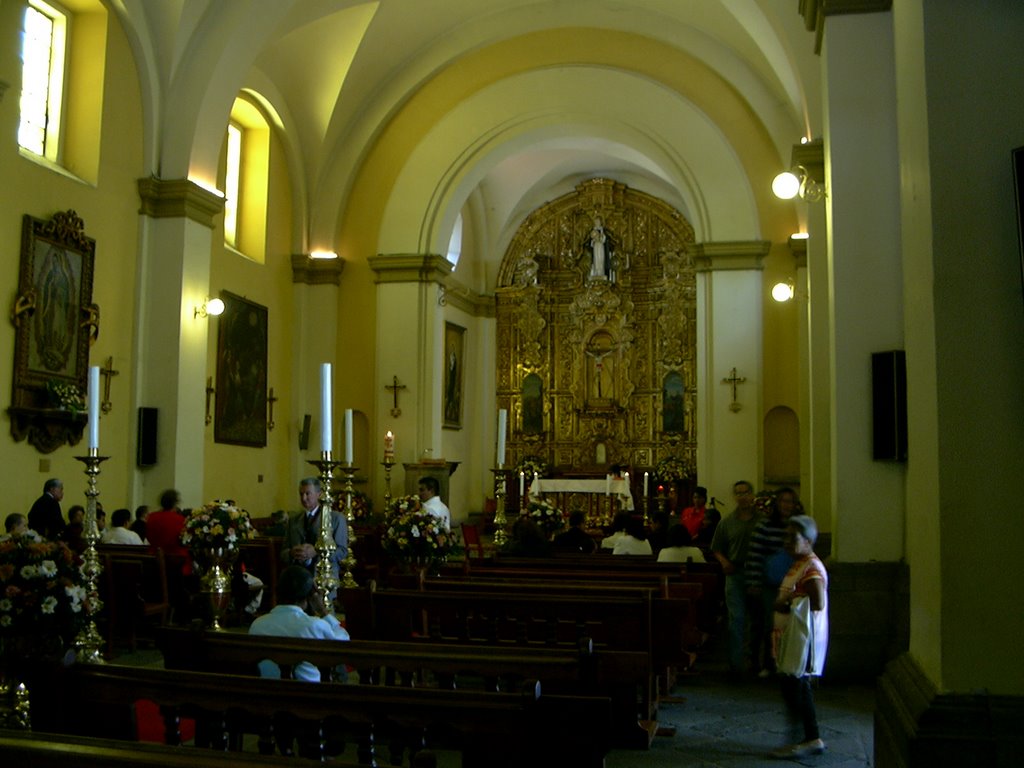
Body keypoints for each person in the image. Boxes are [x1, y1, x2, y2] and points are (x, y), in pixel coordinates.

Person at [769, 515, 829, 760]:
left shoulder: (812, 568)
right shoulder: (800, 563)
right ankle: (803, 737)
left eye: (792, 538)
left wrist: (786, 603)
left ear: (808, 540)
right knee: (792, 685)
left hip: (803, 638)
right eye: (785, 536)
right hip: (791, 634)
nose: (786, 542)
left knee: (798, 687)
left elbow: (817, 602)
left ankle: (810, 738)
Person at [248, 565, 350, 683]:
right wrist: (323, 611)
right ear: (310, 595)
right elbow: (343, 643)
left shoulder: (258, 625)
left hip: (269, 695)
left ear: (277, 592)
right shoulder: (314, 625)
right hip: (307, 695)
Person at [746, 487, 800, 677]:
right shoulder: (765, 526)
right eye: (783, 501)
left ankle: (782, 662)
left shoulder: (797, 526)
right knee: (768, 625)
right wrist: (754, 582)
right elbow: (755, 555)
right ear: (777, 504)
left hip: (791, 583)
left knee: (788, 626)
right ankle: (764, 663)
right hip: (769, 583)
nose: (787, 505)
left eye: (790, 501)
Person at [711, 480, 762, 677]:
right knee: (736, 619)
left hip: (756, 574)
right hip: (735, 573)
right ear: (735, 497)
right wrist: (724, 562)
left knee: (757, 620)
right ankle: (736, 663)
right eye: (738, 493)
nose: (743, 497)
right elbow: (716, 548)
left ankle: (754, 660)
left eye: (746, 492)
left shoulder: (761, 521)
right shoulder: (727, 522)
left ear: (752, 495)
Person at [281, 478, 349, 582]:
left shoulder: (335, 518)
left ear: (319, 494)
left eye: (308, 494)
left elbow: (342, 551)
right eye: (301, 494)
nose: (304, 498)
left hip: (325, 578)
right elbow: (283, 552)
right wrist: (292, 553)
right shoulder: (293, 520)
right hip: (297, 579)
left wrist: (317, 552)